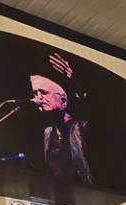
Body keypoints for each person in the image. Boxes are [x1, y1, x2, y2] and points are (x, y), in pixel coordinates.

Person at [31, 52, 94, 188]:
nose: (38, 98)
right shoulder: (48, 133)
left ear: (63, 101)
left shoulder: (81, 127)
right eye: (35, 93)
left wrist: (76, 85)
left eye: (44, 92)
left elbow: (101, 116)